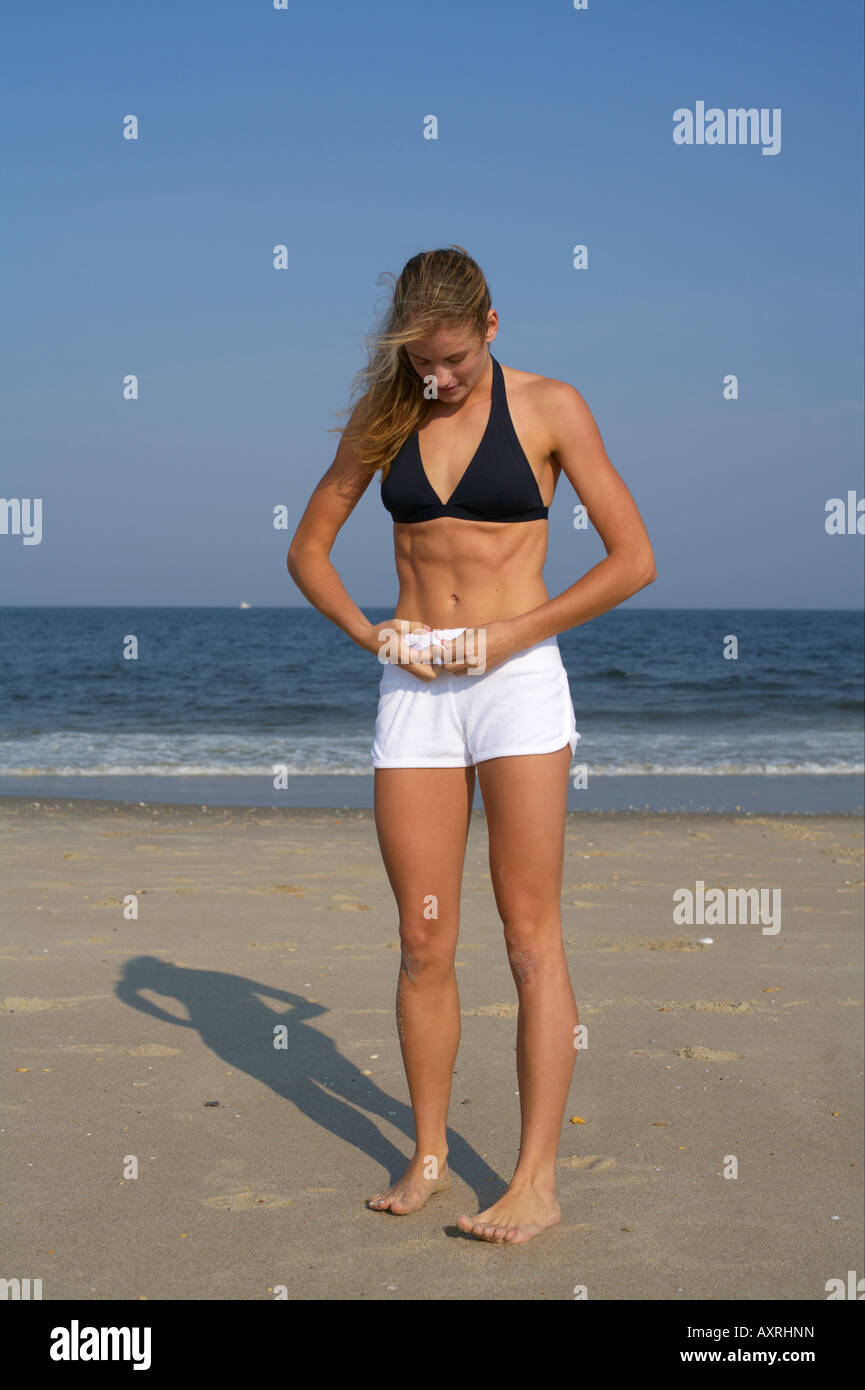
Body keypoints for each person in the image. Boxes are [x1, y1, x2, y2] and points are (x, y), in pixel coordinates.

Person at [287, 245, 656, 1243]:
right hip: (414, 691)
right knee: (422, 939)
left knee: (529, 937)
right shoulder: (387, 417)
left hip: (516, 684)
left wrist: (506, 636)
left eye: (451, 359)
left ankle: (535, 1179)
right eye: (421, 362)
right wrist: (373, 635)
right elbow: (307, 549)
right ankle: (430, 1153)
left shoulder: (550, 407)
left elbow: (633, 560)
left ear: (491, 326)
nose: (436, 379)